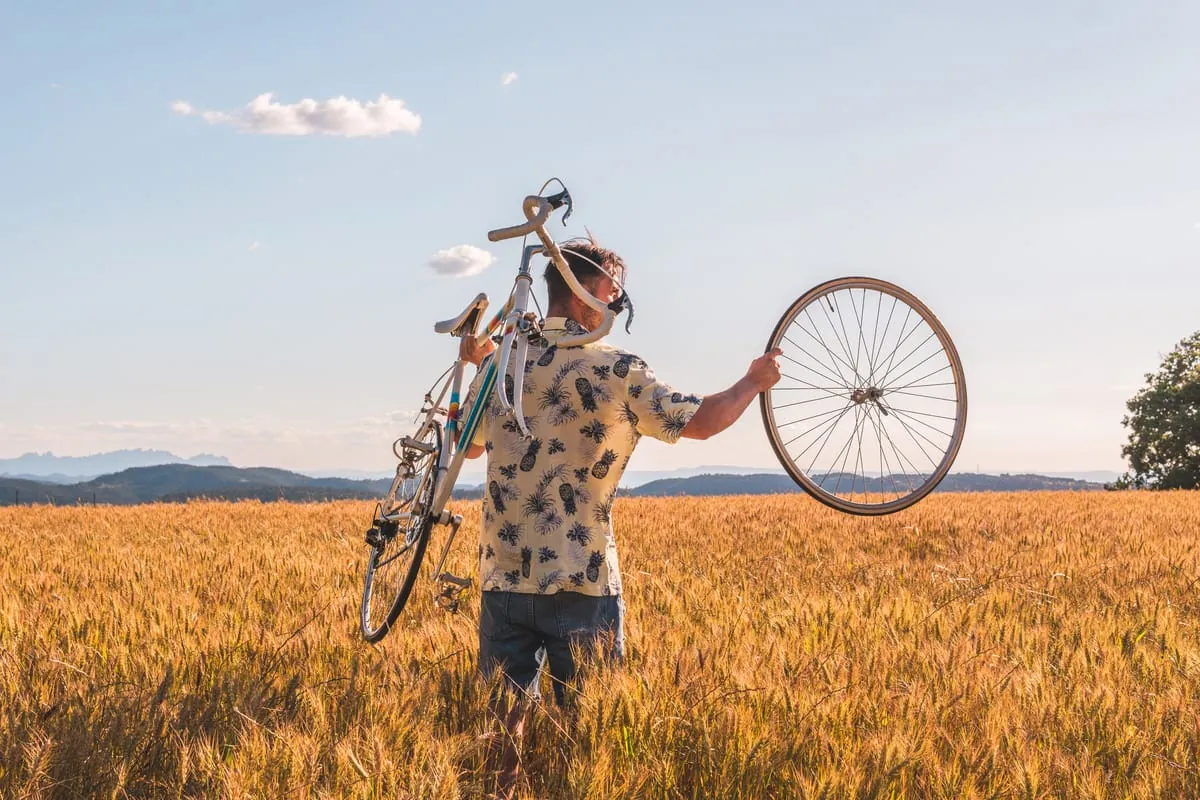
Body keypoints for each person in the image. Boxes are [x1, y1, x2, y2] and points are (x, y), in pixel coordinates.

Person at [457, 235, 780, 796]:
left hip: (503, 575)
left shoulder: (506, 365)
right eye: (611, 290)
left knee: (498, 740)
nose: (617, 302)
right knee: (590, 744)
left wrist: (481, 363)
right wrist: (753, 381)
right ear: (585, 295)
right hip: (583, 580)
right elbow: (701, 422)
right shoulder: (618, 370)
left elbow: (469, 447)